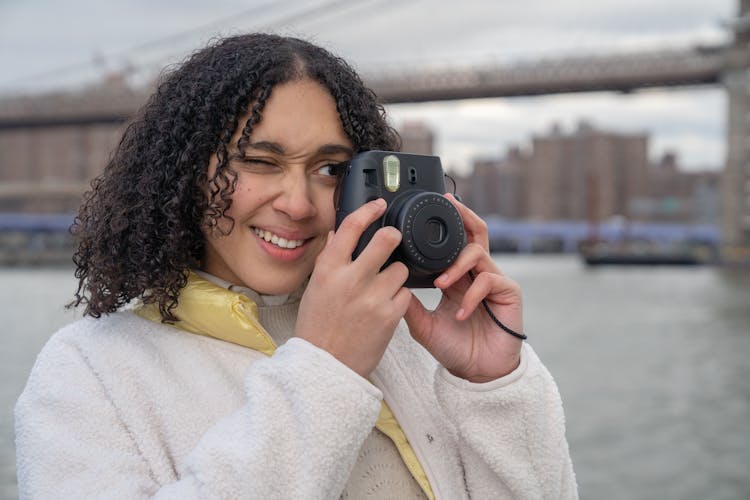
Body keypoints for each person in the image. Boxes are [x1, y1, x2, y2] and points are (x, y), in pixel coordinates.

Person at [15, 33, 577, 499]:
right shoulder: (87, 372)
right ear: (183, 173)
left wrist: (493, 385)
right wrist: (325, 368)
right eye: (261, 161)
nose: (299, 204)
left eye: (331, 169)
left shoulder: (411, 343)